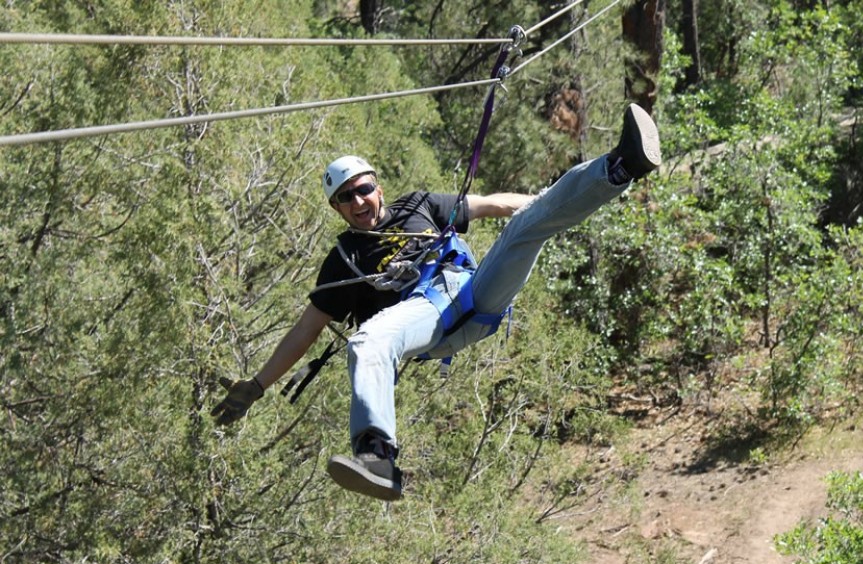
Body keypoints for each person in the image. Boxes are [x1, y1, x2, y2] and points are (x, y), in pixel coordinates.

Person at [211, 103, 661, 501]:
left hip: (472, 294)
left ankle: (619, 167)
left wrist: (551, 201)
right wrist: (258, 384)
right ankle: (377, 458)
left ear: (379, 187)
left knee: (526, 226)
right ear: (337, 209)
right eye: (346, 198)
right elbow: (305, 331)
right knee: (368, 343)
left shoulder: (420, 206)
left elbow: (492, 205)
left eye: (363, 188)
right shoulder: (344, 260)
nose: (359, 201)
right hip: (425, 321)